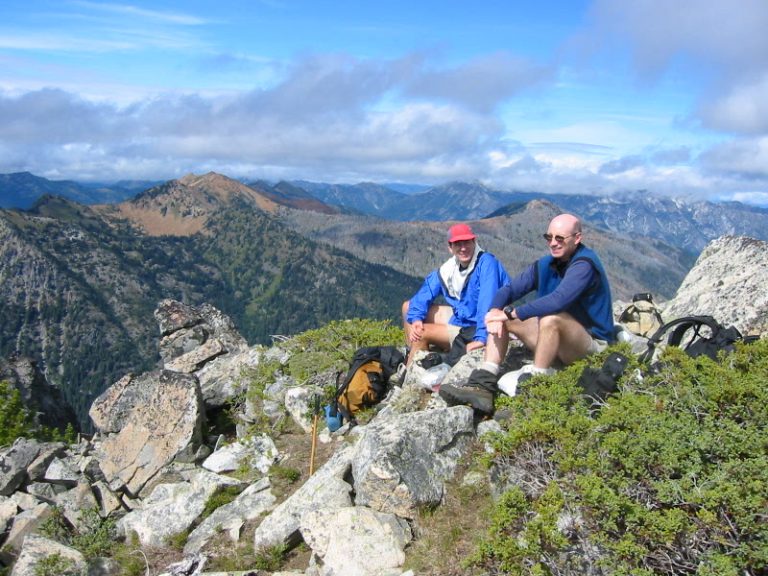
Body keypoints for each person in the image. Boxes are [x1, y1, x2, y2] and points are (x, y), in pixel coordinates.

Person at [439, 213, 615, 415]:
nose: (553, 243)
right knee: (505, 321)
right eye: (549, 237)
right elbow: (509, 290)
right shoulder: (545, 265)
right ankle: (483, 384)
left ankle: (533, 393)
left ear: (577, 238)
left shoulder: (584, 265)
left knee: (551, 318)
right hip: (557, 340)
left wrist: (510, 313)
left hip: (590, 343)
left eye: (560, 238)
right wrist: (496, 311)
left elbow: (559, 299)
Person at [402, 223, 510, 367]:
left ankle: (411, 373)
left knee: (420, 333)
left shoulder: (486, 264)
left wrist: (481, 338)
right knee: (408, 308)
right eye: (458, 244)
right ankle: (413, 352)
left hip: (477, 325)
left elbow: (488, 306)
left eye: (467, 242)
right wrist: (416, 318)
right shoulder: (450, 268)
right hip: (464, 317)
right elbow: (426, 291)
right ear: (450, 247)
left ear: (474, 242)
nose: (463, 248)